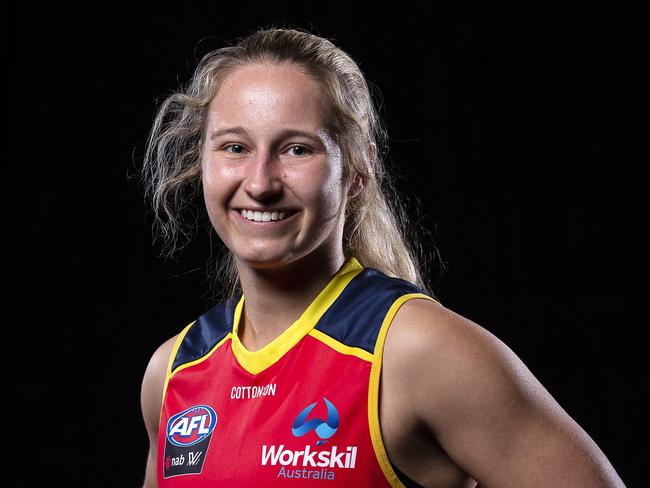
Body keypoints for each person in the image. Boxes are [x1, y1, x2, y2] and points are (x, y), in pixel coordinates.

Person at [139, 27, 625, 487]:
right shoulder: (175, 370)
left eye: (297, 150)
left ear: (356, 171)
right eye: (235, 147)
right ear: (201, 162)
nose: (261, 183)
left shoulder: (418, 352)